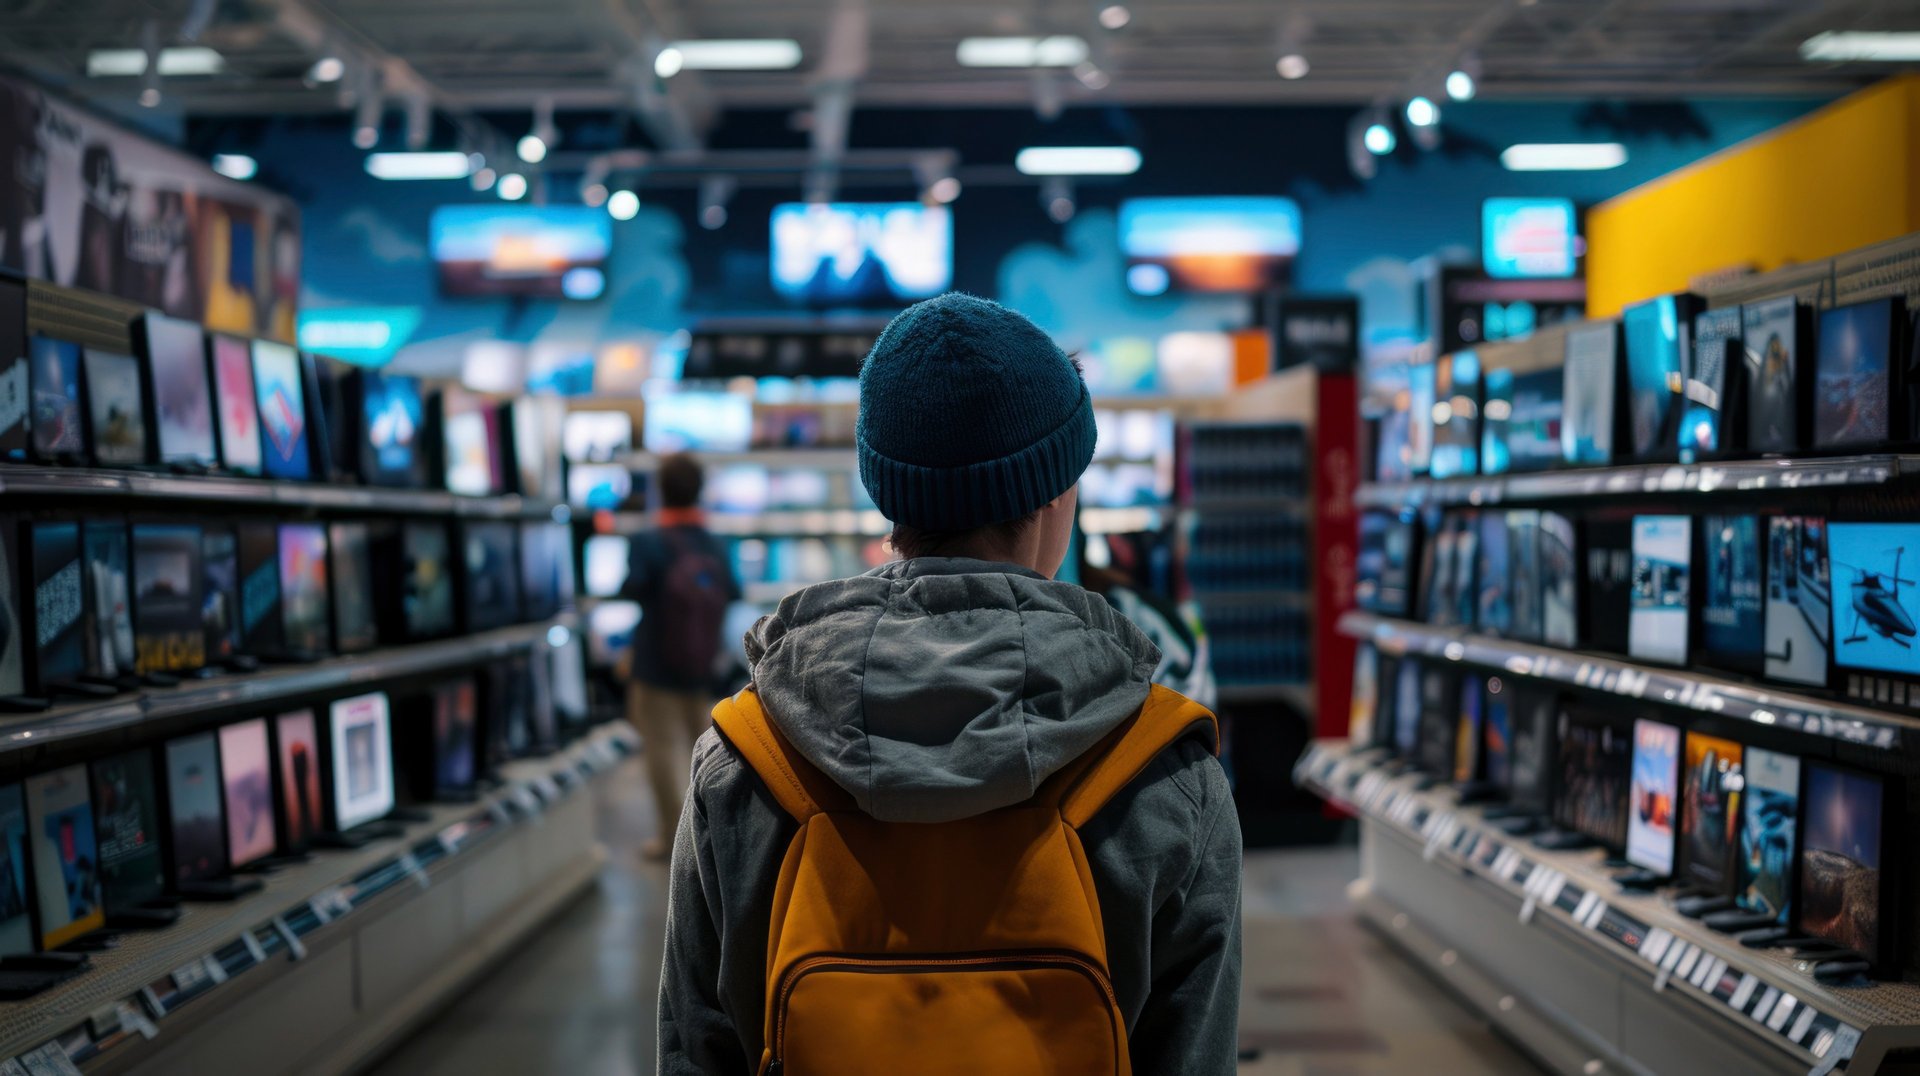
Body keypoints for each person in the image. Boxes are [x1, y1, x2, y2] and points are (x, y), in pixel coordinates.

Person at [659, 294, 1242, 1073]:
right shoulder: (1167, 772)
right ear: (1053, 494)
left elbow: (696, 1054)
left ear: (884, 491)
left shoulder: (742, 762)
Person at [619, 451, 739, 860]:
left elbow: (631, 589)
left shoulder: (647, 542)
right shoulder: (716, 543)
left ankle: (672, 840)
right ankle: (716, 840)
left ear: (660, 491)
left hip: (654, 663)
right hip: (703, 665)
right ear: (699, 491)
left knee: (660, 752)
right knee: (709, 754)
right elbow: (734, 591)